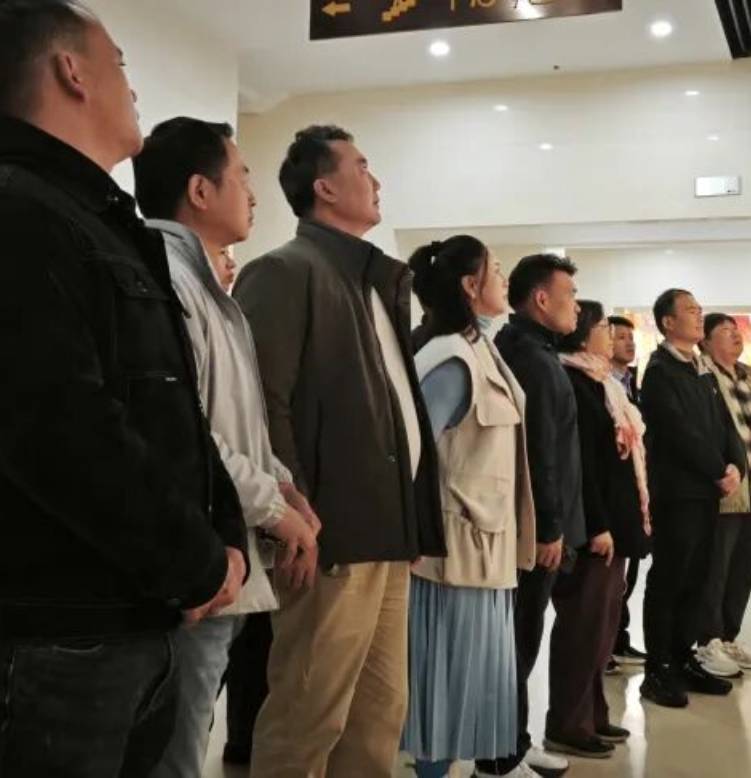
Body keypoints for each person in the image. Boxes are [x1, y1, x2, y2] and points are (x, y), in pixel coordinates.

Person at [0, 3, 247, 774]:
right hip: (47, 639)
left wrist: (219, 533)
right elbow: (62, 432)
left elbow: (171, 412)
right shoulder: (5, 213)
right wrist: (195, 562)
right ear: (71, 71)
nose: (132, 86)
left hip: (130, 621)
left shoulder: (98, 221)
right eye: (120, 64)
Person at [235, 125, 446, 778]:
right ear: (324, 188)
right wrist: (291, 514)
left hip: (384, 534)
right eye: (361, 166)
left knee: (378, 717)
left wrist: (411, 519)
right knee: (309, 715)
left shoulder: (372, 282)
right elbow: (262, 406)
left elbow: (395, 413)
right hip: (327, 536)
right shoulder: (284, 272)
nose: (375, 180)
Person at [132, 117, 323, 778]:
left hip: (224, 552)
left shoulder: (209, 288)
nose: (253, 191)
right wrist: (273, 507)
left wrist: (282, 483)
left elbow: (237, 421)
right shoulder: (167, 281)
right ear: (199, 190)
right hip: (196, 554)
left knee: (186, 736)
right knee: (173, 752)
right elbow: (188, 433)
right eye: (241, 175)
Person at [405, 236, 539, 778]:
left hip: (484, 549)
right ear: (469, 285)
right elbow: (411, 456)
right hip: (452, 555)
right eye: (496, 269)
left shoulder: (480, 347)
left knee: (469, 691)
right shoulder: (450, 358)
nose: (504, 279)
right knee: (442, 695)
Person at [480, 252, 584, 778]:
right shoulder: (530, 357)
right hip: (531, 532)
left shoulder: (533, 350)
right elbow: (538, 451)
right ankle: (498, 759)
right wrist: (549, 527)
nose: (577, 308)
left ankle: (515, 744)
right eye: (570, 297)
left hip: (535, 525)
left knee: (521, 642)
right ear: (542, 299)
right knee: (514, 645)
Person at [550, 301, 648, 758]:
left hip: (614, 525)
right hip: (595, 529)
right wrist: (597, 525)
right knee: (583, 629)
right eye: (605, 328)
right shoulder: (572, 381)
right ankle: (567, 723)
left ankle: (593, 712)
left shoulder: (602, 382)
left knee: (604, 628)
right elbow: (582, 464)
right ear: (583, 333)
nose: (611, 336)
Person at [637, 289, 743, 709]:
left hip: (706, 493)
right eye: (691, 311)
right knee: (670, 579)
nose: (700, 317)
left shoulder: (700, 368)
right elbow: (678, 432)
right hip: (678, 493)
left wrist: (735, 465)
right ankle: (659, 668)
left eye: (700, 310)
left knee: (697, 579)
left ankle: (683, 658)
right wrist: (718, 470)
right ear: (668, 322)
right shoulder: (660, 371)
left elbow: (724, 425)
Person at [696, 313, 751, 676]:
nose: (736, 336)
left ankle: (729, 637)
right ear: (705, 341)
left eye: (737, 330)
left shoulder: (750, 377)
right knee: (714, 571)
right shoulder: (703, 374)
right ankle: (708, 642)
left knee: (743, 571)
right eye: (725, 331)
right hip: (726, 493)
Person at [605, 315, 648, 669]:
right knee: (608, 579)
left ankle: (620, 640)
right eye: (620, 337)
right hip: (613, 495)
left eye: (631, 337)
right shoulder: (602, 384)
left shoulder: (634, 384)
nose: (629, 343)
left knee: (628, 574)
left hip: (637, 492)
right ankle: (605, 647)